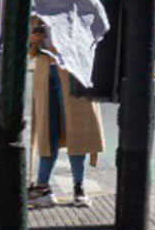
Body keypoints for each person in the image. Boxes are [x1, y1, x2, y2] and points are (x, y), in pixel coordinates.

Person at [27, 19, 106, 208]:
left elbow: (92, 38)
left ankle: (79, 189)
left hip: (73, 72)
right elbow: (31, 53)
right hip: (46, 72)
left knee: (77, 131)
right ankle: (43, 187)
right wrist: (33, 39)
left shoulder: (78, 9)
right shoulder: (40, 12)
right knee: (47, 132)